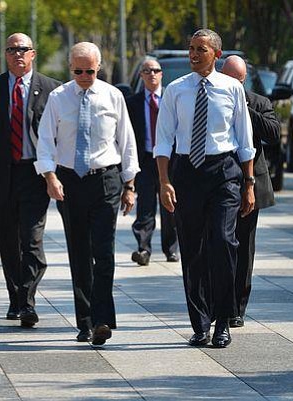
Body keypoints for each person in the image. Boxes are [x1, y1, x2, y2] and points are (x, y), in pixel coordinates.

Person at [154, 29, 255, 348]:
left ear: (217, 55)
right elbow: (162, 139)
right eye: (191, 49)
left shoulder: (231, 89)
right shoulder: (176, 90)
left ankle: (223, 319)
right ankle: (199, 324)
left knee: (224, 241)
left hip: (224, 171)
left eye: (201, 49)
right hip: (187, 171)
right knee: (193, 248)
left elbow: (245, 139)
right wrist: (164, 181)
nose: (194, 55)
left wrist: (249, 183)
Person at [36, 42, 140, 345]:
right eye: (78, 70)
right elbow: (45, 141)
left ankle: (102, 319)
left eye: (90, 71)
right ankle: (85, 322)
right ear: (71, 68)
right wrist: (50, 177)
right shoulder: (58, 97)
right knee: (79, 252)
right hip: (70, 180)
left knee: (104, 252)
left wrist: (130, 184)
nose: (84, 76)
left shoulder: (113, 96)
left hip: (105, 179)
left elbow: (127, 141)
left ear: (99, 67)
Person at [0, 33, 60, 326]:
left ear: (33, 53)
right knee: (8, 242)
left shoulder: (50, 89)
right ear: (5, 55)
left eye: (23, 50)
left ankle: (28, 302)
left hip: (35, 175)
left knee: (31, 241)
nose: (17, 54)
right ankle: (15, 297)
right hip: (1, 176)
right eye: (11, 50)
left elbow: (60, 135)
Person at [221, 55, 280, 328]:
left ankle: (237, 308)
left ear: (242, 81)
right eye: (226, 77)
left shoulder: (258, 103)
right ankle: (218, 303)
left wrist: (246, 108)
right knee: (219, 243)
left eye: (236, 80)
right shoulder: (213, 100)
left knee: (244, 247)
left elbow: (273, 133)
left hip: (249, 184)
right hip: (220, 182)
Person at [126, 58, 179, 266]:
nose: (152, 74)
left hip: (170, 160)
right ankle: (143, 249)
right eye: (147, 71)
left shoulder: (171, 99)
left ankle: (171, 249)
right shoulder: (133, 103)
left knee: (170, 207)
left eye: (156, 70)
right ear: (141, 76)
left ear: (161, 74)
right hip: (146, 160)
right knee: (145, 206)